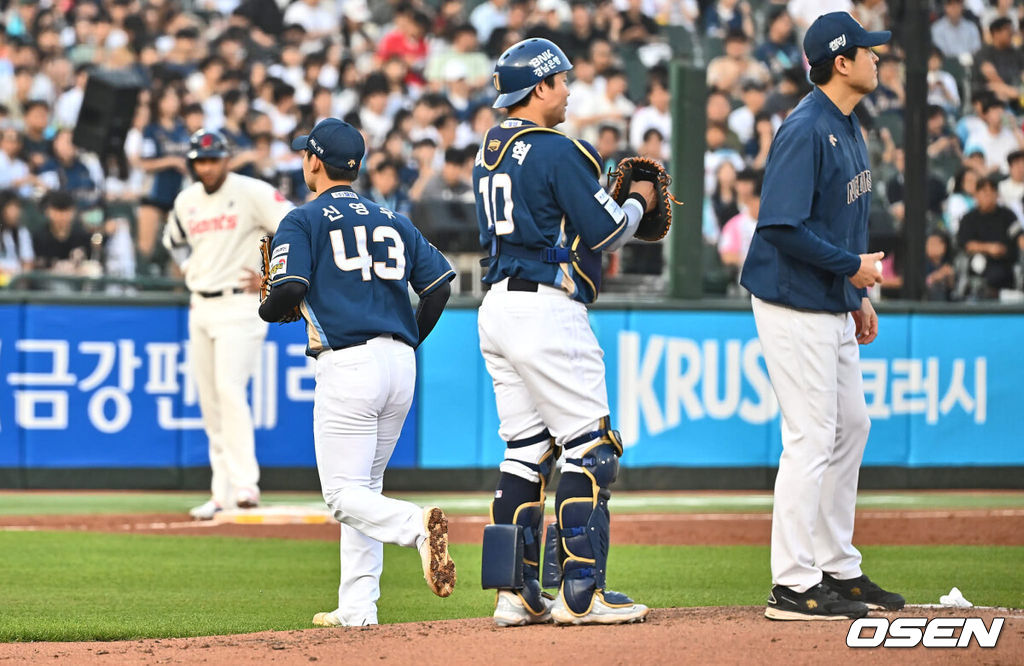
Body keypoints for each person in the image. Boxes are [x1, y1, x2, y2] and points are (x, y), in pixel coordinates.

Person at [473, 37, 655, 627]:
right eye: (562, 81)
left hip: (497, 306)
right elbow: (607, 232)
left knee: (525, 450)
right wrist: (637, 201)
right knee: (590, 446)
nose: (569, 90)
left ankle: (516, 592)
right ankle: (582, 592)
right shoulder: (557, 149)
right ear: (540, 87)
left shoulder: (488, 148)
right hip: (546, 309)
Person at [258, 117, 457, 627]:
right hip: (401, 361)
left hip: (350, 363)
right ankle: (358, 608)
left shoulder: (303, 219)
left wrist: (271, 306)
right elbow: (438, 288)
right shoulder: (393, 218)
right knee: (364, 488)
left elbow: (287, 291)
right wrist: (407, 339)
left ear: (314, 162)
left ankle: (416, 525)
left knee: (343, 496)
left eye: (307, 154)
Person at [739, 12, 905, 620]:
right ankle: (791, 583)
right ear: (842, 61)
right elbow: (779, 226)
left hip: (827, 297)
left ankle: (837, 568)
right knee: (811, 437)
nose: (876, 57)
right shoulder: (806, 128)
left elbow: (838, 223)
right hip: (790, 300)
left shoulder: (847, 124)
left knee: (851, 427)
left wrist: (854, 292)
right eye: (868, 50)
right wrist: (851, 270)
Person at [161, 130, 295, 520]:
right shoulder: (186, 200)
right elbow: (175, 241)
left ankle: (245, 483)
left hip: (240, 303)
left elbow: (293, 225)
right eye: (200, 160)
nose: (207, 167)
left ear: (226, 159)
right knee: (210, 400)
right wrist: (188, 269)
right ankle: (221, 491)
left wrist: (272, 276)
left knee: (229, 389)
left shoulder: (251, 190)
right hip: (200, 303)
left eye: (213, 159)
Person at [957, 176, 1023, 299]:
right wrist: (989, 248)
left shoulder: (1007, 215)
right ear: (976, 195)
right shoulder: (968, 218)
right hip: (979, 264)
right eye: (983, 192)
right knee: (980, 268)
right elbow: (966, 244)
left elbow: (1019, 237)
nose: (988, 195)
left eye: (992, 191)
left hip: (1005, 265)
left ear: (997, 195)